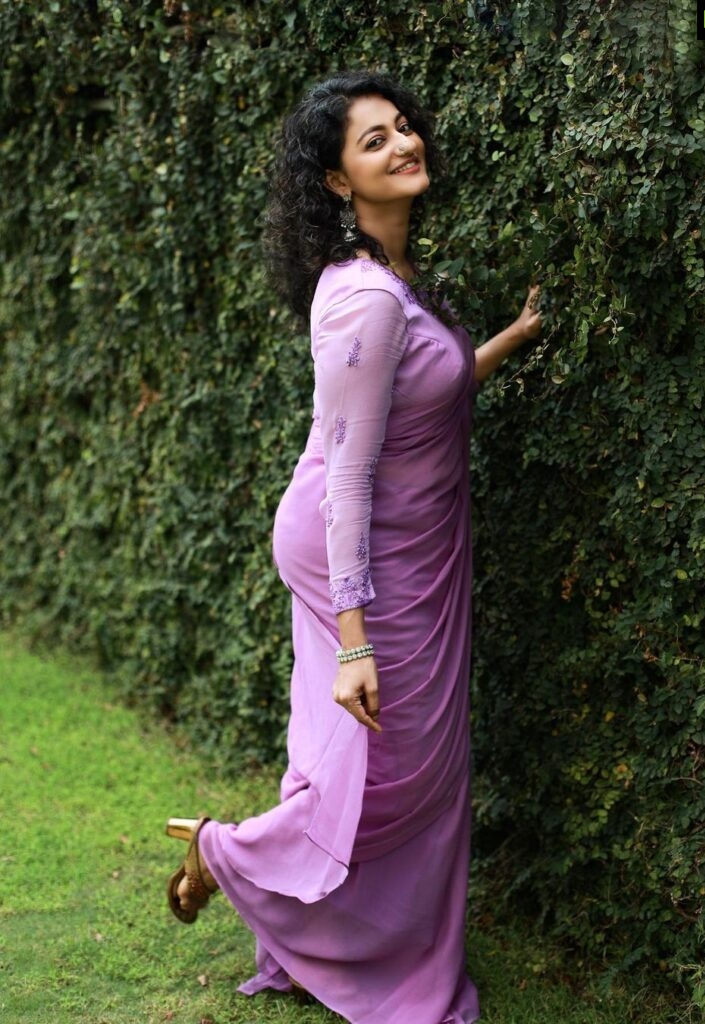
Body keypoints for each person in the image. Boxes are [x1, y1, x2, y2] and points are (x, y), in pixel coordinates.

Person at [165, 70, 540, 1024]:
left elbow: (423, 394)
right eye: (373, 141)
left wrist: (504, 341)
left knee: (395, 762)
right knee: (398, 772)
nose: (403, 143)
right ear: (338, 183)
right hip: (360, 554)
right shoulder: (365, 301)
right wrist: (357, 639)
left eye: (403, 127)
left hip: (404, 548)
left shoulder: (397, 284)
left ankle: (299, 898)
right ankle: (229, 852)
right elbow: (346, 473)